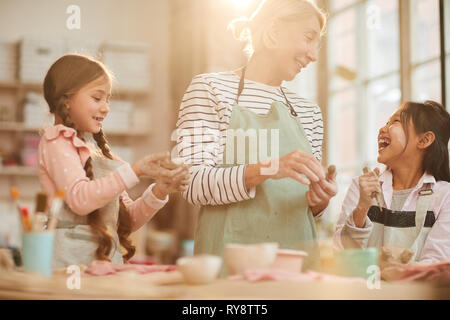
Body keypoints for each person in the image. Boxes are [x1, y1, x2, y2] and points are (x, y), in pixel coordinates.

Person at [175, 0, 336, 272]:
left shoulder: (309, 113)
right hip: (229, 266)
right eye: (308, 38)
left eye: (317, 44)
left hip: (296, 266)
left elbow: (309, 206)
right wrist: (269, 168)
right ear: (273, 32)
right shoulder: (210, 89)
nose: (313, 55)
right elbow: (191, 184)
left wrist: (320, 200)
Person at [38, 54, 190, 269]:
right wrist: (135, 171)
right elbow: (80, 199)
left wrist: (160, 190)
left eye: (108, 100)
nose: (106, 108)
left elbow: (129, 221)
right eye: (97, 98)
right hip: (69, 271)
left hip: (106, 267)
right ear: (67, 99)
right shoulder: (56, 141)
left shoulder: (102, 155)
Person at [334, 101, 450, 264]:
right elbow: (341, 253)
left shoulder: (445, 196)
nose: (382, 129)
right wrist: (361, 209)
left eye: (395, 121)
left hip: (412, 290)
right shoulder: (361, 186)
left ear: (424, 140)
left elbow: (436, 264)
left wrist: (397, 269)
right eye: (386, 122)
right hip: (363, 289)